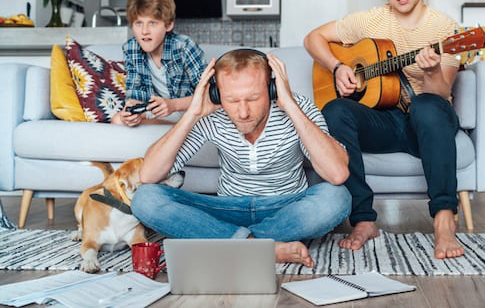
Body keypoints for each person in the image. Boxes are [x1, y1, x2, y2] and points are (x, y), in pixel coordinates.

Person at [303, 0, 465, 259]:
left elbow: (442, 94)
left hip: (429, 124)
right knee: (335, 109)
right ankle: (363, 219)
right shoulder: (370, 21)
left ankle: (444, 218)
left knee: (426, 106)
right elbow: (313, 38)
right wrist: (338, 67)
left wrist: (431, 70)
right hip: (387, 121)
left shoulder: (446, 29)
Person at [130, 49, 351, 266]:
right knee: (145, 198)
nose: (243, 112)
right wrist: (192, 113)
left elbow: (337, 173)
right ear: (217, 95)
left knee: (337, 197)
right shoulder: (210, 113)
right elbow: (149, 174)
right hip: (227, 209)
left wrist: (291, 106)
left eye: (254, 98)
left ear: (272, 89)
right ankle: (259, 247)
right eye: (232, 100)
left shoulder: (298, 107)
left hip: (285, 209)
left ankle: (231, 243)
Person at [112, 0, 206, 126]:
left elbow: (210, 95)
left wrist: (174, 105)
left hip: (190, 111)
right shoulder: (131, 48)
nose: (144, 31)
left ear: (168, 25)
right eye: (139, 23)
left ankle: (178, 132)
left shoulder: (184, 46)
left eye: (153, 23)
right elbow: (135, 95)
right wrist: (132, 111)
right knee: (118, 120)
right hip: (159, 114)